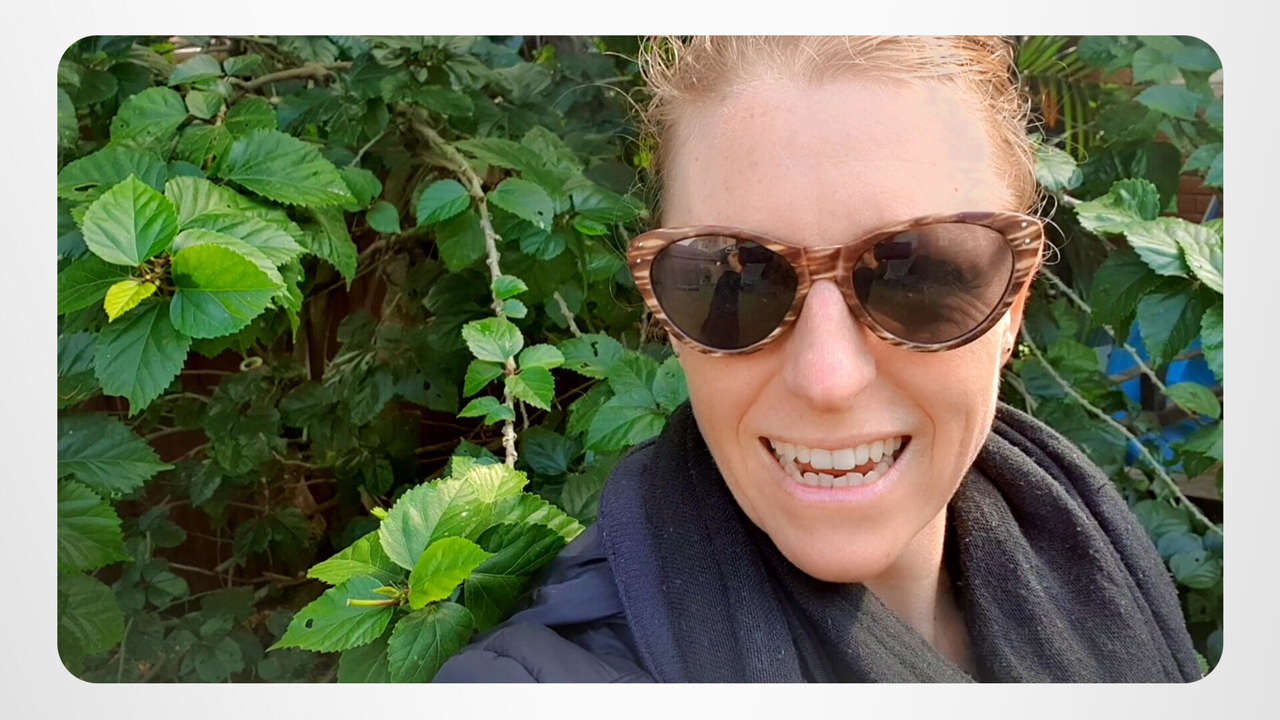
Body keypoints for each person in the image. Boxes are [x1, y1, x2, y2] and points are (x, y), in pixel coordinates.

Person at [435, 36, 1200, 683]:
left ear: (1013, 305)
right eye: (734, 278)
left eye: (921, 275)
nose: (827, 379)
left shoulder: (1091, 545)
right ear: (667, 317)